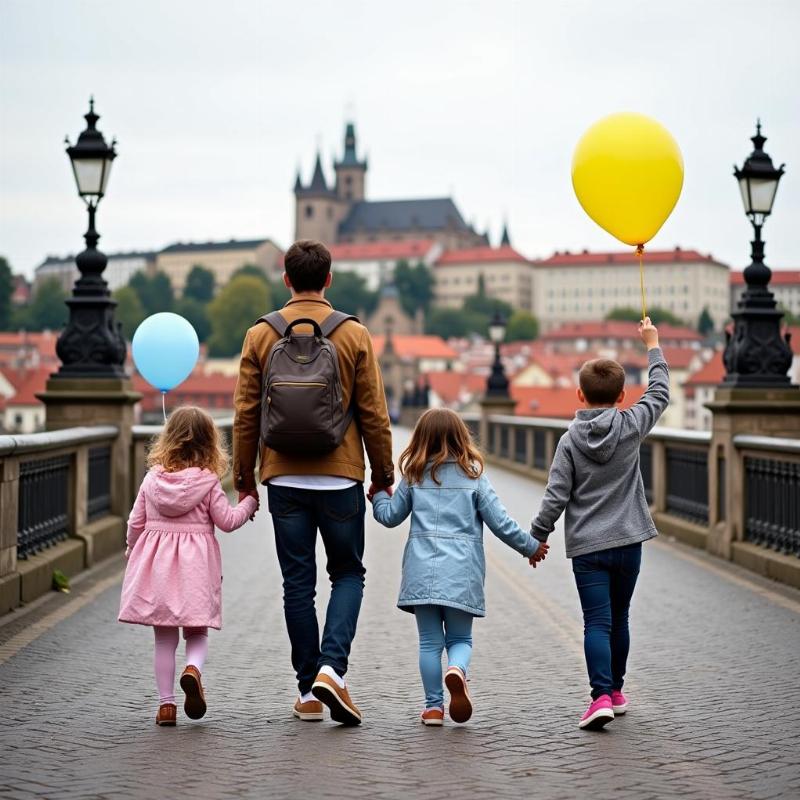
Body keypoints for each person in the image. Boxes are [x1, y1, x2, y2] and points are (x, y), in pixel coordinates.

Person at [233, 239, 394, 726]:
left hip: (282, 476)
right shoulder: (354, 334)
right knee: (347, 574)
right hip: (340, 475)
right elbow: (374, 414)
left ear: (286, 279)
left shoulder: (260, 335)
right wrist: (383, 475)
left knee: (296, 584)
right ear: (329, 279)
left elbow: (244, 416)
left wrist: (245, 479)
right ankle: (332, 669)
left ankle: (308, 689)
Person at [530, 317, 669, 730]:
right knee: (621, 617)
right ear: (623, 394)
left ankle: (601, 697)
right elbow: (660, 393)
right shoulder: (631, 424)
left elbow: (556, 495)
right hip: (629, 540)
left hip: (589, 547)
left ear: (580, 394)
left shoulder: (570, 440)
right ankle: (618, 692)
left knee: (597, 621)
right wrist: (653, 344)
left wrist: (536, 538)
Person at [370, 408, 548, 726]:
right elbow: (501, 523)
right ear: (461, 437)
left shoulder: (413, 475)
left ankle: (434, 708)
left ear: (420, 439)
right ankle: (457, 670)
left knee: (428, 642)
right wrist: (530, 547)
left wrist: (378, 497)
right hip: (461, 573)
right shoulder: (474, 476)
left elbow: (389, 517)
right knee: (460, 641)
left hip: (420, 573)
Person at [118, 406, 258, 726]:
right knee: (197, 631)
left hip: (158, 568)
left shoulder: (152, 479)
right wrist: (248, 502)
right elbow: (227, 521)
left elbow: (135, 523)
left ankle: (166, 706)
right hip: (196, 568)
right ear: (210, 443)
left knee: (164, 640)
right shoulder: (208, 482)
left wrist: (131, 550)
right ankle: (193, 669)